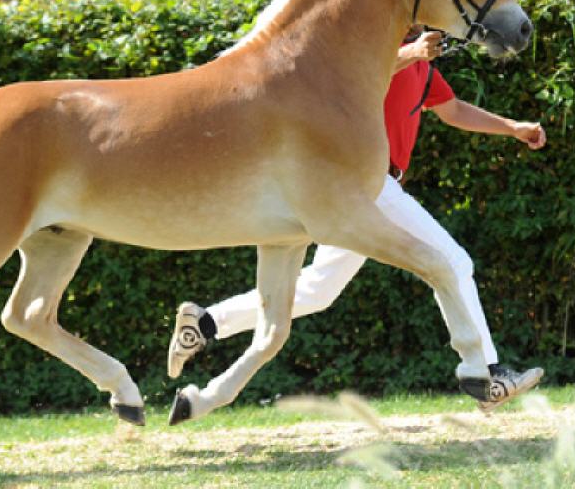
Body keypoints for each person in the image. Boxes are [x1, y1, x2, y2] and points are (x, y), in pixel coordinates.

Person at [167, 28, 546, 411]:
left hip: (368, 190)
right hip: (370, 182)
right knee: (454, 262)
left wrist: (512, 128)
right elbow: (356, 72)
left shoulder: (424, 68)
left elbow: (453, 110)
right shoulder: (380, 48)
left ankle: (206, 322)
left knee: (319, 289)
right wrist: (412, 51)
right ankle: (488, 374)